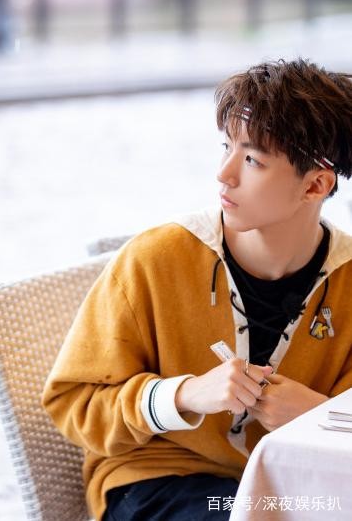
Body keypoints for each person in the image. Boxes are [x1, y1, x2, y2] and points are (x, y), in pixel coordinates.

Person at [41, 58, 352, 521]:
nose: (225, 173)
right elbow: (75, 404)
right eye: (226, 146)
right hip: (158, 478)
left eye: (252, 159)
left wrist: (319, 415)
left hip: (290, 490)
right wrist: (184, 395)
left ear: (315, 186)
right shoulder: (155, 259)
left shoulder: (347, 282)